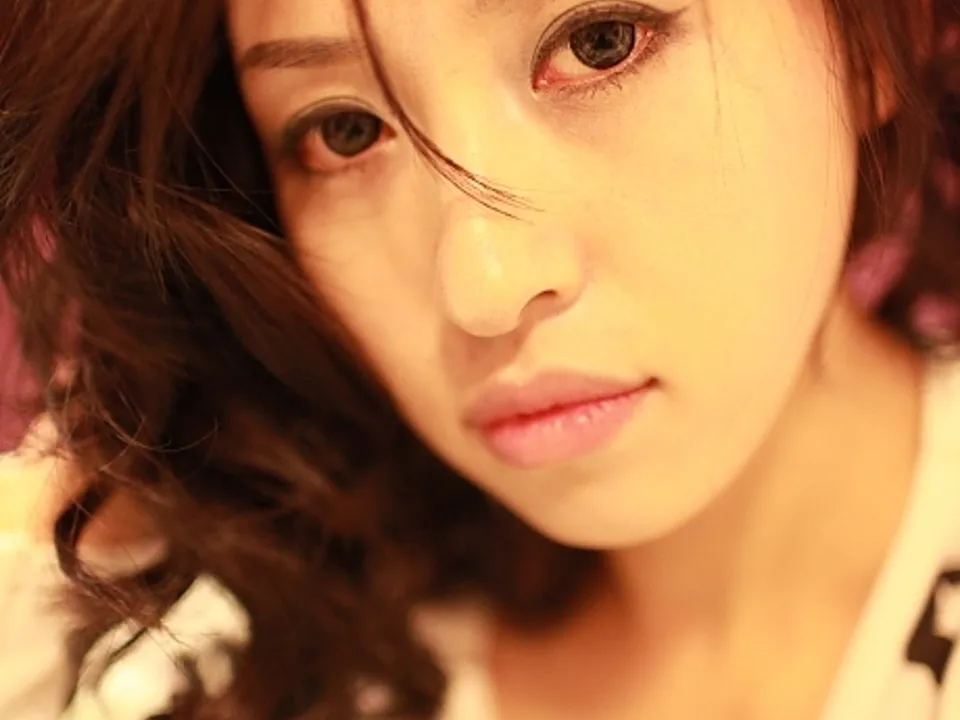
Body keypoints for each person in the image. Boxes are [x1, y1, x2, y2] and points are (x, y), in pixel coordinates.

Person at [2, 0, 960, 717]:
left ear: (876, 35)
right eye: (344, 131)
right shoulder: (254, 656)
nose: (485, 285)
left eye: (600, 43)